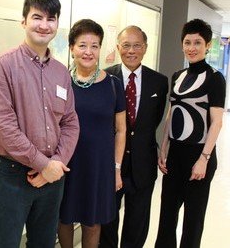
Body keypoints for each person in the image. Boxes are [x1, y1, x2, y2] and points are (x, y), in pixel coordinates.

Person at [0, 0, 80, 248]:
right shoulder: (2, 66)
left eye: (51, 19)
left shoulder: (61, 72)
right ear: (24, 21)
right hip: (13, 177)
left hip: (52, 177)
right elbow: (5, 128)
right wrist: (43, 165)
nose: (44, 25)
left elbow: (71, 122)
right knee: (5, 243)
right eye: (37, 17)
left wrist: (56, 164)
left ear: (57, 25)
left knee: (44, 243)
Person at [155, 19, 226, 248]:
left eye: (198, 42)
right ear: (182, 44)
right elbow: (171, 114)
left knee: (193, 221)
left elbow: (216, 123)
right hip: (175, 154)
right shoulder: (177, 76)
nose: (192, 47)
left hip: (199, 156)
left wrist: (204, 159)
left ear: (207, 45)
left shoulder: (215, 78)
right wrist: (163, 148)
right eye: (187, 42)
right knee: (166, 216)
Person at [58, 19, 126, 248]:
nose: (88, 52)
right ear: (71, 48)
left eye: (94, 46)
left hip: (98, 165)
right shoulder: (61, 82)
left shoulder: (114, 85)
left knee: (92, 222)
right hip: (66, 162)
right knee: (63, 218)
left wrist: (116, 169)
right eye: (82, 45)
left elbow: (121, 130)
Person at [99, 26, 168, 248]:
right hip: (111, 164)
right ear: (118, 47)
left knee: (137, 223)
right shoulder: (104, 77)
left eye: (137, 45)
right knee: (107, 221)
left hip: (143, 164)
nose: (131, 50)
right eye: (126, 45)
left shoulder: (159, 81)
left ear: (145, 48)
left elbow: (153, 120)